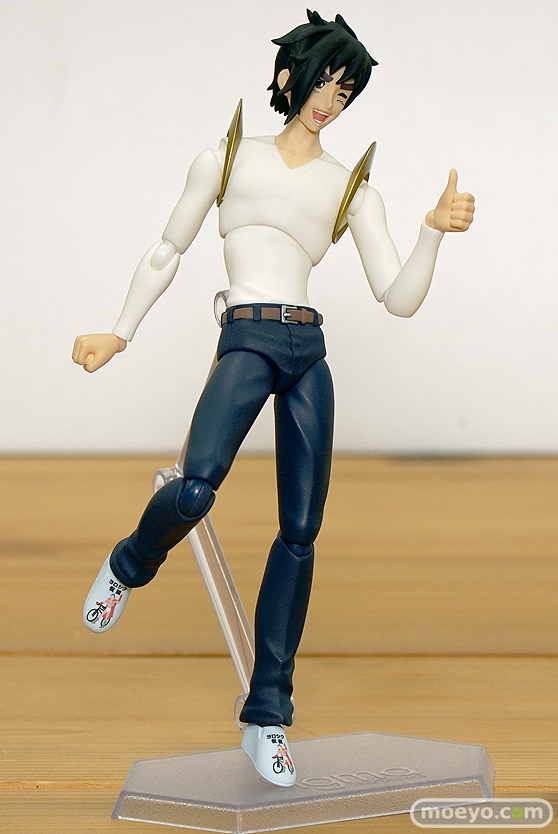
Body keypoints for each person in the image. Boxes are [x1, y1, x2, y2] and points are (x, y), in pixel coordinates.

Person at [72, 10, 474, 786]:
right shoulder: (229, 158)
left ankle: (267, 715)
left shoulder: (351, 189)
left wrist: (432, 232)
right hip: (248, 339)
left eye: (346, 92)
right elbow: (167, 248)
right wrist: (119, 331)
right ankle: (128, 564)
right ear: (290, 76)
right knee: (195, 487)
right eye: (325, 82)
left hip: (307, 350)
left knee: (300, 533)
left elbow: (397, 297)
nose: (331, 101)